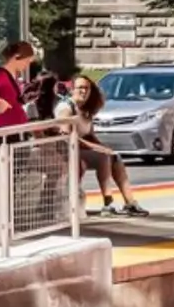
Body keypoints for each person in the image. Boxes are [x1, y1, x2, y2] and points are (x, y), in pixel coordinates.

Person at [58, 74, 147, 216]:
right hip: (66, 151)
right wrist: (98, 149)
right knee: (103, 157)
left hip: (82, 150)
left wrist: (105, 148)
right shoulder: (66, 108)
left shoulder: (86, 110)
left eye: (87, 88)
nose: (84, 91)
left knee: (115, 157)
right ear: (71, 90)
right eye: (80, 88)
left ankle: (130, 203)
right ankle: (108, 202)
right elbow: (67, 137)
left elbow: (89, 135)